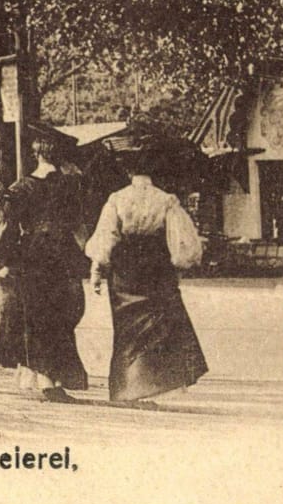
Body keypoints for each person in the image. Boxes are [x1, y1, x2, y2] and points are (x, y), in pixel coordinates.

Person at [86, 166, 209, 406]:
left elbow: (106, 238)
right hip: (156, 267)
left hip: (125, 269)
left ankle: (128, 387)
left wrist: (97, 270)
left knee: (127, 330)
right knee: (158, 325)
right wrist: (179, 266)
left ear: (130, 174)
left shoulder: (117, 199)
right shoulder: (166, 200)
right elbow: (180, 240)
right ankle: (158, 386)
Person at [0, 138, 91, 401]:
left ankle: (46, 379)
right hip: (63, 257)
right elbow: (79, 227)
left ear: (36, 155)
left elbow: (8, 231)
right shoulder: (69, 186)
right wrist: (91, 258)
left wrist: (5, 265)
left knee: (36, 317)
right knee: (63, 317)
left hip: (31, 258)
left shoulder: (20, 188)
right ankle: (52, 381)